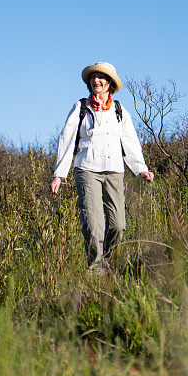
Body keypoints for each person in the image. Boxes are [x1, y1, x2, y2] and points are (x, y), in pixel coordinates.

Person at [50, 62, 154, 273]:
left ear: (110, 84)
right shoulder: (81, 107)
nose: (96, 80)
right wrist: (59, 175)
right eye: (93, 77)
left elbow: (130, 141)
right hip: (87, 170)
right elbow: (66, 139)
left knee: (118, 225)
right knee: (93, 225)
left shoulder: (119, 110)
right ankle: (96, 270)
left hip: (114, 171)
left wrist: (141, 169)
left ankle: (105, 258)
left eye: (101, 77)